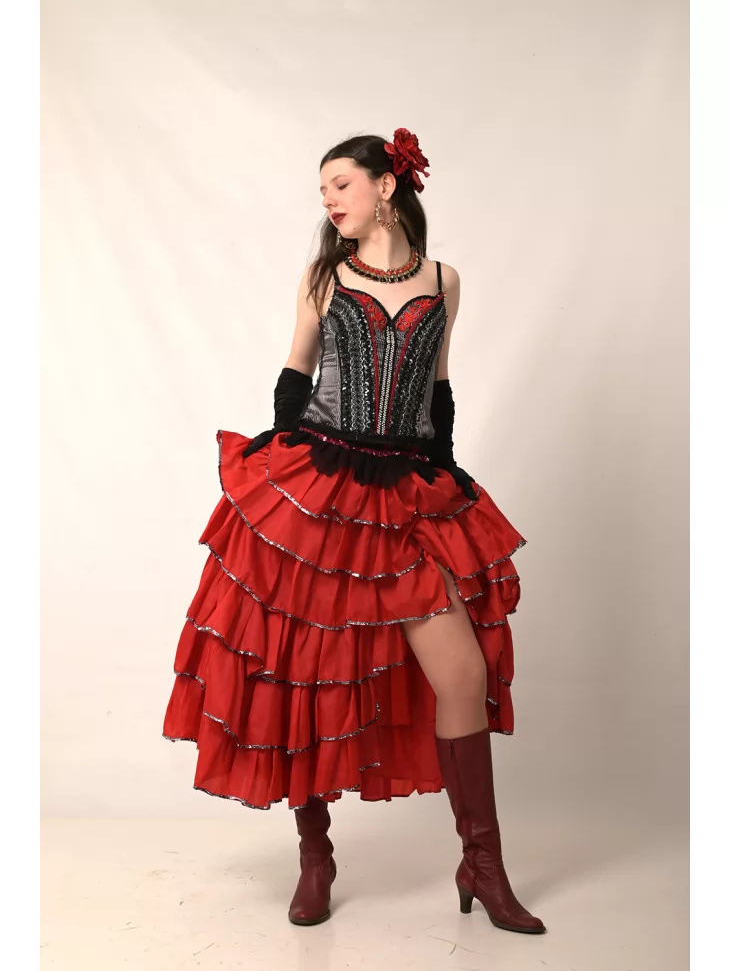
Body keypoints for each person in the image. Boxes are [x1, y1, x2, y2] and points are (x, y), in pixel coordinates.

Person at [163, 128, 546, 935]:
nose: (329, 199)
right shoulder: (323, 278)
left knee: (462, 673)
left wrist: (446, 473)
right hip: (324, 483)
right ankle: (316, 855)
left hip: (406, 488)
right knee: (305, 674)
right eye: (323, 190)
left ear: (385, 185)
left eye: (340, 183)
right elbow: (294, 376)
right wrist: (282, 482)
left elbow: (438, 390)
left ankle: (482, 863)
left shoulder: (444, 281)